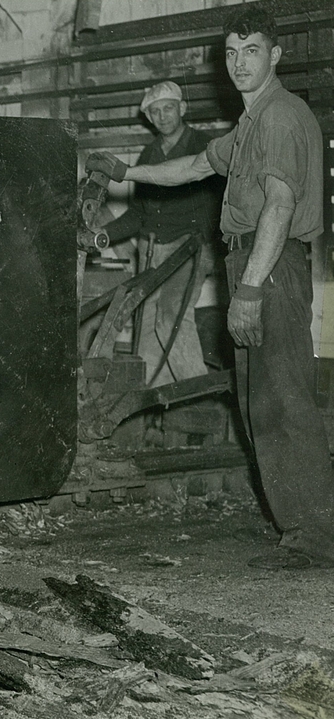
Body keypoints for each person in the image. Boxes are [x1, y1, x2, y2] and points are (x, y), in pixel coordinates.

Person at [87, 6, 333, 567]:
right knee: (261, 406)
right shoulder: (247, 127)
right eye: (231, 52)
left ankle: (315, 539)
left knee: (284, 403)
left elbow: (279, 204)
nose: (240, 63)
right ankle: (302, 529)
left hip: (269, 269)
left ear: (275, 55)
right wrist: (128, 173)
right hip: (253, 266)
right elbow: (195, 166)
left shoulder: (280, 117)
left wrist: (248, 291)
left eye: (251, 51)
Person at [100, 80, 223, 387]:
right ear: (149, 118)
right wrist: (102, 234)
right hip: (152, 249)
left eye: (168, 108)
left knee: (171, 318)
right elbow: (139, 213)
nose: (163, 116)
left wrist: (208, 243)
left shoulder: (204, 147)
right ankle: (153, 404)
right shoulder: (149, 154)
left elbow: (223, 204)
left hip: (190, 246)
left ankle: (199, 397)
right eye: (155, 112)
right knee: (145, 331)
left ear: (182, 108)